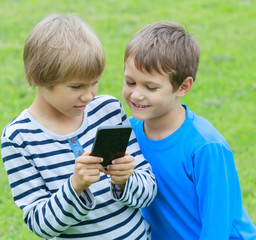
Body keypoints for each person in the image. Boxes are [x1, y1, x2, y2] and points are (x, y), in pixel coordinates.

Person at [1, 14, 157, 240]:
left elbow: (149, 191)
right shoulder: (19, 137)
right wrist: (75, 185)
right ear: (37, 78)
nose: (89, 95)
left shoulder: (108, 110)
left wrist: (125, 180)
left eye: (95, 82)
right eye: (76, 86)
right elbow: (41, 226)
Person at [122, 21, 256, 240]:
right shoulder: (128, 133)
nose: (136, 95)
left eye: (150, 87)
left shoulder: (205, 146)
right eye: (130, 82)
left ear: (183, 87)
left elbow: (217, 227)